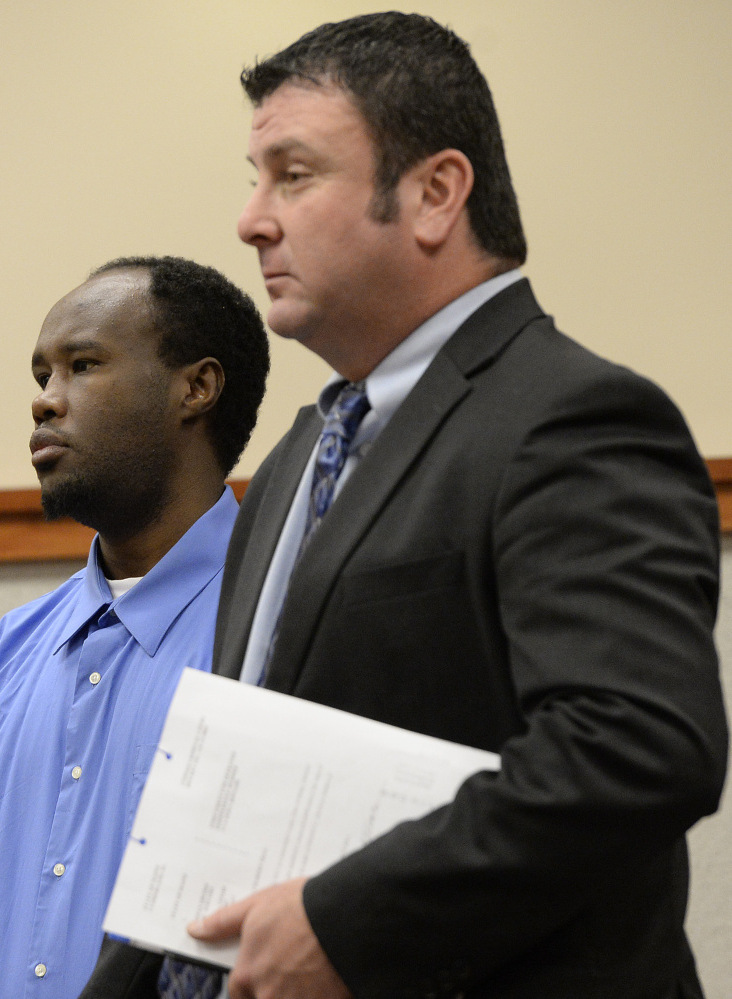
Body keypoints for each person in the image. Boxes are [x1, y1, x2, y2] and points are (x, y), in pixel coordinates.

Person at [85, 12, 728, 999]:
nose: (252, 219)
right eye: (255, 178)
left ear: (435, 193)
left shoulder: (575, 419)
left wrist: (344, 924)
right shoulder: (302, 452)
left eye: (292, 175)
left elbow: (634, 747)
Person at [0, 256, 269, 999]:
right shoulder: (3, 659)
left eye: (82, 365)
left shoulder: (275, 626)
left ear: (194, 388)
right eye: (42, 376)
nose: (45, 401)